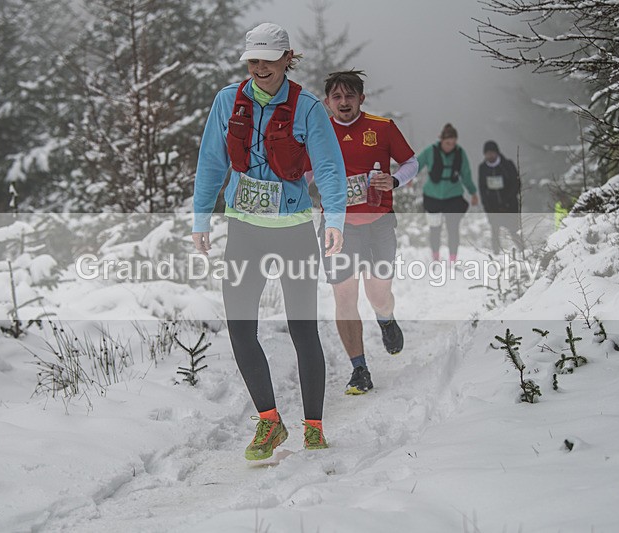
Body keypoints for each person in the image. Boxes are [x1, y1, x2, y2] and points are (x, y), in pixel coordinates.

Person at [191, 23, 347, 460]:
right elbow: (210, 162)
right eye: (253, 60)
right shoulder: (227, 102)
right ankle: (269, 422)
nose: (260, 67)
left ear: (286, 58)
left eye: (268, 59)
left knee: (303, 330)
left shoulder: (309, 108)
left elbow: (330, 169)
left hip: (295, 232)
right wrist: (200, 217)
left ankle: (313, 426)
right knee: (241, 329)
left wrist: (335, 218)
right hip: (243, 231)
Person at [319, 70, 417, 395]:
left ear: (362, 98)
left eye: (350, 96)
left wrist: (395, 180)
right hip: (338, 226)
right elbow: (302, 172)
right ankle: (358, 368)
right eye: (337, 97)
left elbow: (410, 163)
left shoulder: (382, 127)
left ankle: (386, 317)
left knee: (377, 294)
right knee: (344, 296)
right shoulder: (319, 132)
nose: (343, 102)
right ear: (327, 102)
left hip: (379, 223)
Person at [416, 124, 478, 262]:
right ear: (441, 140)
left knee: (453, 229)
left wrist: (473, 192)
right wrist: (407, 178)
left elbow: (466, 175)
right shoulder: (430, 151)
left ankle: (453, 259)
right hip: (432, 196)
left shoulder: (460, 153)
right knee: (435, 229)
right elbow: (416, 164)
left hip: (453, 197)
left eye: (453, 143)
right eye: (447, 143)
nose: (450, 146)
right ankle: (435, 257)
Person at [478, 140, 522, 254]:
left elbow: (516, 184)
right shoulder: (482, 168)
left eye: (492, 153)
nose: (490, 156)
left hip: (510, 205)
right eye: (487, 154)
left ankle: (524, 252)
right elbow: (482, 189)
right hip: (492, 207)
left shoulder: (507, 165)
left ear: (497, 153)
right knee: (495, 232)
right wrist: (487, 207)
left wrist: (507, 201)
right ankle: (496, 256)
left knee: (514, 231)